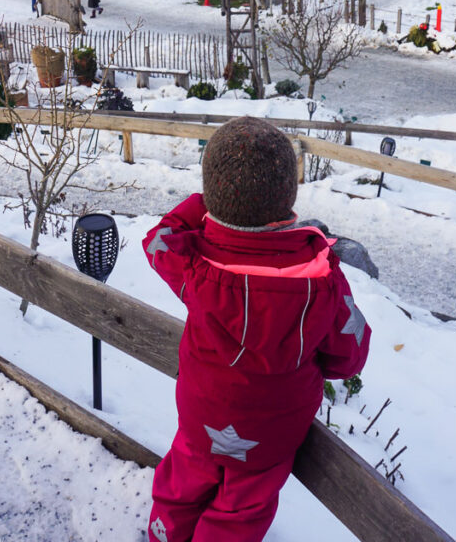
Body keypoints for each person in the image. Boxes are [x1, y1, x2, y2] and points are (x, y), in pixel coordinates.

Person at [143, 116, 370, 542]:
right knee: (241, 511)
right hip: (269, 437)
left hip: (201, 416)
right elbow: (347, 356)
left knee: (183, 482)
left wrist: (203, 204)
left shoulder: (195, 265)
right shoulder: (321, 280)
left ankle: (163, 534)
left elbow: (159, 237)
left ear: (214, 195)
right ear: (288, 198)